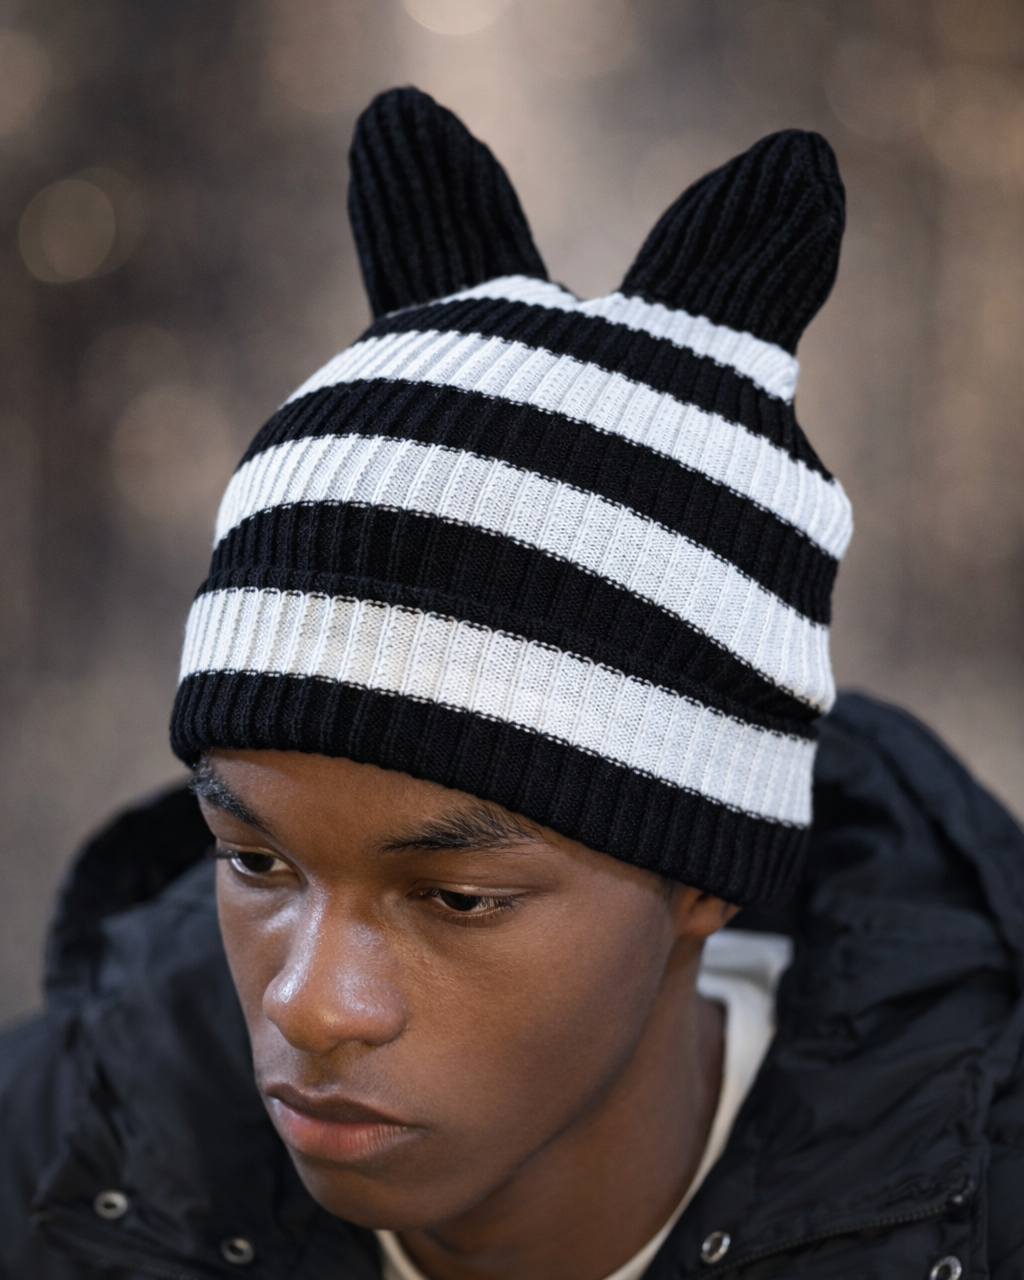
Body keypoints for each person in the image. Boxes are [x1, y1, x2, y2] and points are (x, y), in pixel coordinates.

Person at [1, 87, 1022, 1280]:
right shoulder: (45, 1158)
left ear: (705, 874)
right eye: (255, 860)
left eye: (455, 896)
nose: (313, 1004)